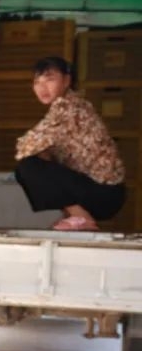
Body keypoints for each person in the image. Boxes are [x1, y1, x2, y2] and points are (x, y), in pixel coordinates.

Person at [15, 56, 126, 231]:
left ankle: (81, 218)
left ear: (66, 80)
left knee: (28, 166)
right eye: (37, 81)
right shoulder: (73, 103)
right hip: (105, 192)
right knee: (38, 160)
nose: (42, 87)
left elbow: (24, 147)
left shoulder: (66, 107)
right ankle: (76, 216)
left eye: (50, 79)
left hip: (104, 193)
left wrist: (41, 154)